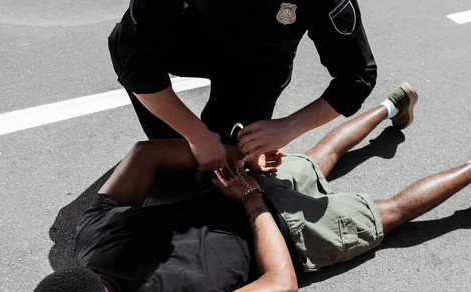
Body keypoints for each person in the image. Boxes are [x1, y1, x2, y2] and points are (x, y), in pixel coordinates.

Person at [30, 83, 471, 292]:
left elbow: (281, 285)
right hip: (242, 180)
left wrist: (253, 202)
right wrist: (235, 162)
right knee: (321, 156)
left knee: (390, 212)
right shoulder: (90, 239)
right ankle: (392, 104)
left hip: (283, 230)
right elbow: (145, 156)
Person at [108, 0, 378, 170]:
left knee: (230, 164)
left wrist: (288, 127)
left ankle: (391, 106)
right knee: (173, 172)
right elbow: (132, 53)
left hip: (258, 61)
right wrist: (196, 135)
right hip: (186, 41)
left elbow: (356, 76)